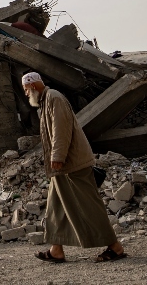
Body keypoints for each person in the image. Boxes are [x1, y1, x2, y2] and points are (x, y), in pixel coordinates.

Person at [21, 72, 127, 264]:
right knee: (56, 207)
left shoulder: (54, 98)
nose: (26, 95)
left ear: (34, 87)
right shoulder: (46, 101)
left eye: (27, 91)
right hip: (61, 168)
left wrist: (58, 156)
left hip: (72, 164)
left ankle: (116, 247)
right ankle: (56, 250)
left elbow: (61, 129)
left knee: (88, 206)